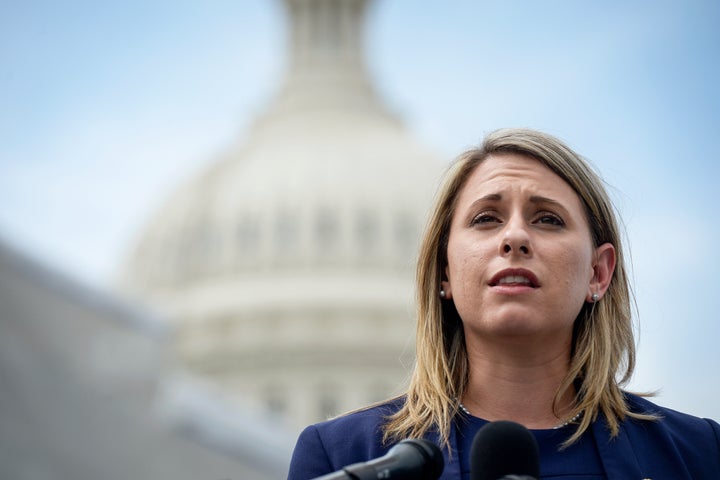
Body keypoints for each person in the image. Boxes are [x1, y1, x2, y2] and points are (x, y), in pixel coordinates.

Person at [287, 128, 720, 479]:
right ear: (444, 272)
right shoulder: (347, 457)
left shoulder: (698, 455)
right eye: (486, 219)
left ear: (598, 273)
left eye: (547, 219)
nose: (514, 237)